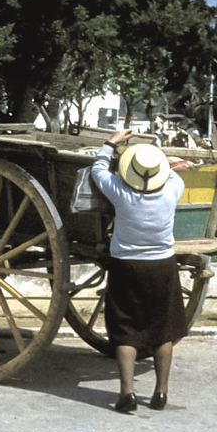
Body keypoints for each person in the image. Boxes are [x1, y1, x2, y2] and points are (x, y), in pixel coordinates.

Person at [91, 128, 186, 413]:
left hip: (126, 266)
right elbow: (173, 172)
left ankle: (127, 394)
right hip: (163, 266)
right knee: (163, 329)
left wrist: (111, 143)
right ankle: (161, 392)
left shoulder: (120, 193)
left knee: (125, 329)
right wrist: (163, 160)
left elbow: (97, 170)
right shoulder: (173, 189)